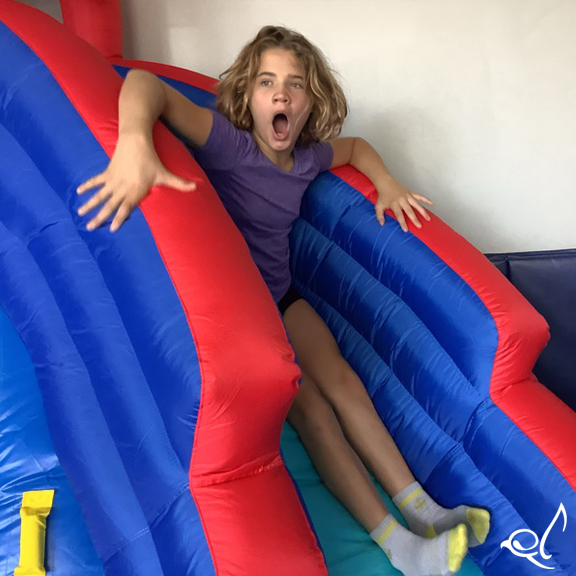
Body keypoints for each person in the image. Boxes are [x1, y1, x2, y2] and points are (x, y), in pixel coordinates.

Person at [77, 25, 490, 576]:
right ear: (247, 95)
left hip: (281, 294)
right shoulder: (230, 142)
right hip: (243, 314)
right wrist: (134, 141)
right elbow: (148, 85)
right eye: (267, 81)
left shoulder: (308, 158)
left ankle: (425, 512)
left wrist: (387, 183)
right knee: (314, 410)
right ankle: (401, 547)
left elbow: (357, 147)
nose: (281, 94)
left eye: (295, 86)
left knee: (344, 383)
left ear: (310, 103)